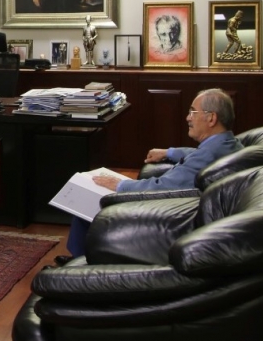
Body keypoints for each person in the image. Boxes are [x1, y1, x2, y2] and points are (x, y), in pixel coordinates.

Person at [58, 88, 243, 263]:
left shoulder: (207, 156)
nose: (188, 118)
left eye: (193, 112)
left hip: (164, 213)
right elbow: (197, 153)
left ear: (211, 118)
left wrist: (119, 185)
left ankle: (79, 262)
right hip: (185, 209)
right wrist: (169, 152)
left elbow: (161, 187)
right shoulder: (229, 144)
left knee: (87, 201)